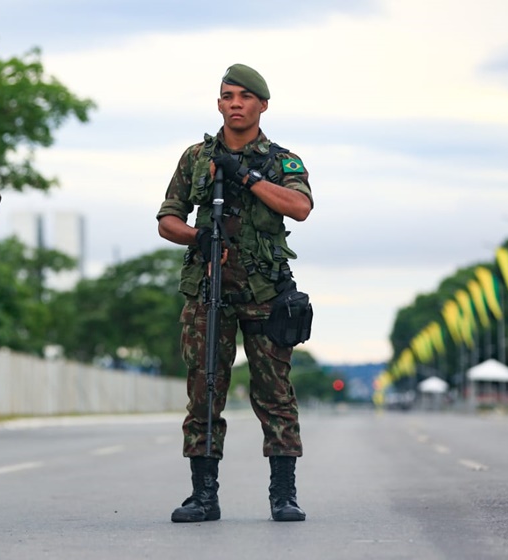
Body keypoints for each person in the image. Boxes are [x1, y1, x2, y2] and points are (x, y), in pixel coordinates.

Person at [156, 63, 313, 523]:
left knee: (274, 393)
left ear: (262, 105)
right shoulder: (194, 158)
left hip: (265, 291)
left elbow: (300, 207)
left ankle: (283, 494)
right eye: (228, 96)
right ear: (219, 103)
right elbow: (167, 218)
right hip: (210, 289)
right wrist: (196, 237)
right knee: (205, 390)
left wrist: (244, 176)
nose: (235, 104)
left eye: (245, 97)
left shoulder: (280, 160)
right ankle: (204, 495)